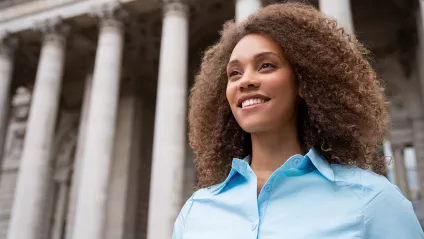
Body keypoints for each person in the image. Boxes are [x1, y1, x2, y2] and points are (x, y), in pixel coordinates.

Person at [173, 2, 424, 239]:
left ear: (303, 83)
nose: (245, 81)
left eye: (266, 66)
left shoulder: (372, 200)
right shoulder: (196, 211)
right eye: (234, 73)